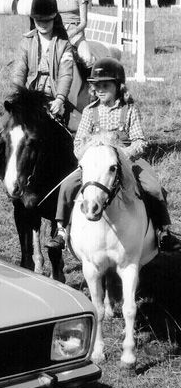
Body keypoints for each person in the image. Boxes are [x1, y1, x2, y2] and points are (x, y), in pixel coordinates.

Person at [45, 58, 181, 252]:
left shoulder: (130, 109)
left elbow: (140, 141)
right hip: (95, 161)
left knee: (153, 187)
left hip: (128, 159)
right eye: (96, 86)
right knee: (67, 186)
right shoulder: (90, 112)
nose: (100, 90)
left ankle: (163, 231)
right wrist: (90, 154)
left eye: (105, 85)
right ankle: (61, 231)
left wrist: (123, 155)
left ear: (118, 86)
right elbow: (78, 143)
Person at [0, 0, 84, 197]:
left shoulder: (64, 45)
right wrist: (20, 98)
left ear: (54, 19)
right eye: (38, 20)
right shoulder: (26, 42)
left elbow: (66, 74)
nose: (42, 24)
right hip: (27, 98)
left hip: (53, 99)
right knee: (1, 126)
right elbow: (19, 72)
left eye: (47, 20)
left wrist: (60, 99)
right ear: (33, 19)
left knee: (80, 128)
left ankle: (81, 177)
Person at [53, 0, 94, 70]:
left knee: (87, 58)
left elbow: (84, 22)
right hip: (58, 32)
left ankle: (90, 85)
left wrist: (72, 32)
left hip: (76, 33)